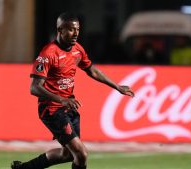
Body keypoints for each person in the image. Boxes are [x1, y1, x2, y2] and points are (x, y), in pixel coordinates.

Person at [11, 12, 134, 169]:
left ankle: (23, 168)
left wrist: (117, 86)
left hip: (69, 107)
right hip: (52, 109)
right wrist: (62, 99)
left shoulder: (77, 50)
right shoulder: (48, 53)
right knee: (81, 154)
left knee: (68, 154)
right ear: (60, 30)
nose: (75, 33)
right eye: (70, 29)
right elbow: (34, 87)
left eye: (77, 29)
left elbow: (92, 71)